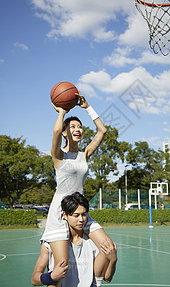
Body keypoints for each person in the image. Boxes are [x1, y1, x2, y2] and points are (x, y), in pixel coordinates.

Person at [39, 90, 114, 286]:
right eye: (72, 127)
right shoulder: (59, 155)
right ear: (65, 131)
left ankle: (96, 282)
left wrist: (87, 107)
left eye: (80, 127)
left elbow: (102, 131)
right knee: (61, 268)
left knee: (108, 247)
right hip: (60, 211)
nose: (78, 129)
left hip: (80, 210)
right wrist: (62, 112)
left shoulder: (84, 154)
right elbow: (55, 132)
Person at [31, 192, 117, 286]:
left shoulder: (93, 243)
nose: (81, 219)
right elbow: (34, 280)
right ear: (65, 215)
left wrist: (113, 260)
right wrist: (51, 276)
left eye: (84, 215)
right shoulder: (50, 243)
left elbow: (107, 278)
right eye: (76, 215)